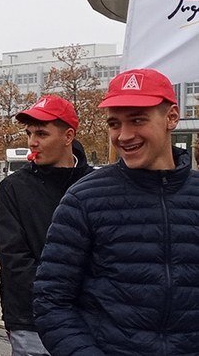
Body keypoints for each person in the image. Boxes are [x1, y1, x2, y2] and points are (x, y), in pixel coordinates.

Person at [34, 68, 199, 355]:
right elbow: (51, 301)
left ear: (172, 117)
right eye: (114, 124)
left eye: (137, 120)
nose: (124, 135)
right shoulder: (84, 198)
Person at [0, 95, 92, 355]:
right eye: (29, 133)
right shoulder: (13, 188)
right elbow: (14, 259)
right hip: (32, 322)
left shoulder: (96, 185)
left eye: (41, 133)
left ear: (68, 136)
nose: (32, 142)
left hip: (90, 321)